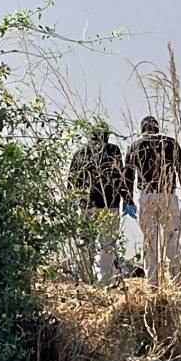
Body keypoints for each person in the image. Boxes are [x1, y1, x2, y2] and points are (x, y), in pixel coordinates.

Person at [124, 116, 181, 287]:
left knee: (150, 241)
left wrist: (128, 200)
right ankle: (177, 281)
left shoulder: (136, 146)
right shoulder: (171, 143)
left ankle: (153, 283)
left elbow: (128, 176)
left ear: (142, 128)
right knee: (172, 238)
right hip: (168, 195)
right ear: (157, 128)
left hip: (147, 196)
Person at [68, 122, 126, 284]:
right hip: (109, 204)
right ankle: (105, 281)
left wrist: (73, 201)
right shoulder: (113, 150)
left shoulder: (80, 152)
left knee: (86, 243)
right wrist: (126, 199)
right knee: (107, 245)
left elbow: (71, 180)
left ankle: (86, 279)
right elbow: (120, 177)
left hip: (86, 205)